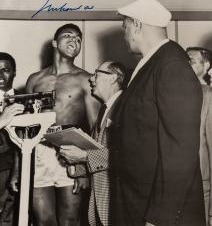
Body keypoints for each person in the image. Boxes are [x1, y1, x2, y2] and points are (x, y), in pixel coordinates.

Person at [115, 0, 205, 226]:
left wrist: (160, 217)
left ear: (136, 25)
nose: (124, 35)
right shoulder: (153, 63)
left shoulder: (171, 65)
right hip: (138, 200)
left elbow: (181, 147)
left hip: (156, 211)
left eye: (125, 28)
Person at [24, 23, 100, 225]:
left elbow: (94, 127)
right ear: (55, 43)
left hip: (70, 152)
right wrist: (18, 168)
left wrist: (85, 167)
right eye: (68, 35)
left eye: (78, 38)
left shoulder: (85, 79)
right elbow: (24, 127)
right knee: (42, 220)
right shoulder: (34, 79)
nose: (74, 40)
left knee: (70, 220)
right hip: (38, 151)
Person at [59, 61, 126, 226]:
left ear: (113, 78)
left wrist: (83, 156)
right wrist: (75, 167)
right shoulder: (105, 109)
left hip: (118, 201)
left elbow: (125, 154)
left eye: (97, 74)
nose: (91, 79)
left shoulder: (126, 108)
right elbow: (98, 152)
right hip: (101, 200)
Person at [186, 48, 212, 226]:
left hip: (202, 191)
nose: (184, 64)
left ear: (206, 66)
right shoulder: (172, 93)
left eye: (190, 60)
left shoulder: (210, 95)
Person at [0, 52, 23, 226]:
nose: (0, 75)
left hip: (18, 171)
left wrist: (17, 171)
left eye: (6, 70)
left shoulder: (28, 99)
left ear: (14, 72)